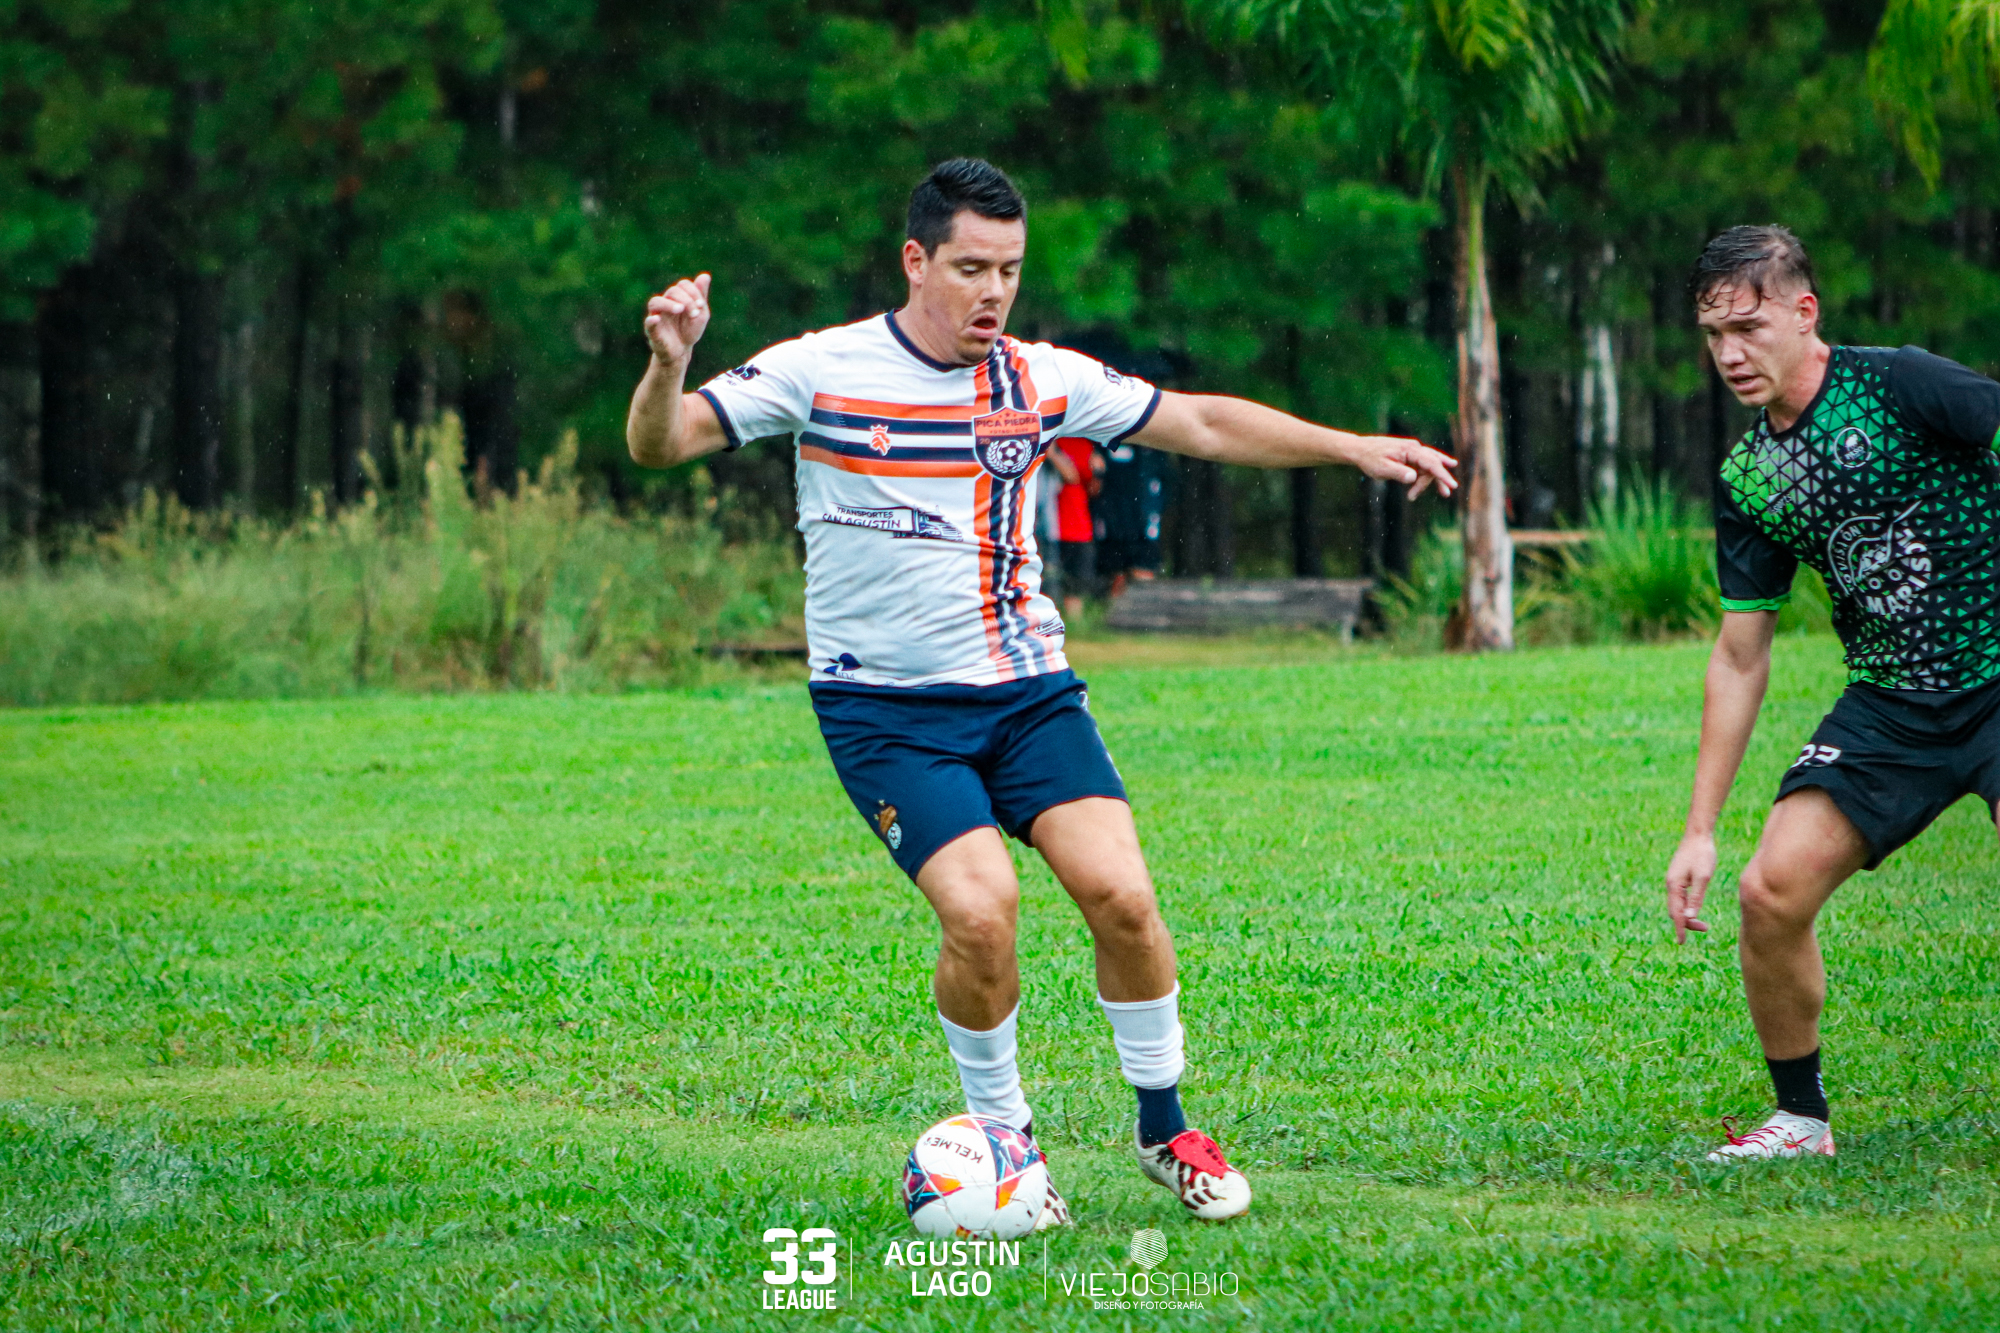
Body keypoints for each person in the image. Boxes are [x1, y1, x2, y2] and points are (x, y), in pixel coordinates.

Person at [625, 158, 1457, 1220]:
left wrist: (1348, 447)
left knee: (1124, 898)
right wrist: (668, 365)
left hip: (1027, 696)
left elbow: (1198, 423)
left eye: (1009, 271)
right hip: (887, 713)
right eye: (970, 268)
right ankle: (1006, 1147)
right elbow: (660, 443)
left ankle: (1165, 1130)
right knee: (983, 913)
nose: (993, 293)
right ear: (915, 260)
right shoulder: (820, 370)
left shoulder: (1040, 379)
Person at [1665, 225, 2000, 1161]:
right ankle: (1801, 1119)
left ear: (1804, 312)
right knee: (1769, 890)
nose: (1730, 354)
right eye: (1714, 335)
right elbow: (1740, 656)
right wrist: (1699, 828)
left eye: (1748, 327)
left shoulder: (1901, 384)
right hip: (1892, 705)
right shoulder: (1750, 477)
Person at [1049, 436, 1102, 618]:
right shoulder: (1051, 441)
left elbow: (1091, 487)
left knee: (1076, 583)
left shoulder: (1084, 444)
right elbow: (1070, 475)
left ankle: (1074, 624)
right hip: (1052, 525)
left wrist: (1098, 472)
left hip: (1079, 525)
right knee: (1051, 579)